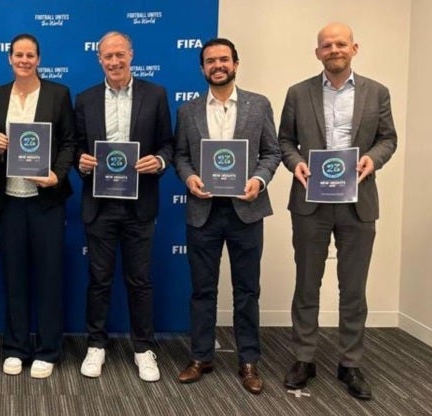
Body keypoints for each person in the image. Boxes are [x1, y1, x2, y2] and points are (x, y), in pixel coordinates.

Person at [279, 23, 397, 401]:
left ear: (354, 48)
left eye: (340, 44)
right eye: (326, 45)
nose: (334, 50)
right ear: (318, 53)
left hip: (357, 203)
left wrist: (373, 160)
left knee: (354, 288)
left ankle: (350, 362)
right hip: (310, 202)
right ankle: (304, 358)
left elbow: (388, 138)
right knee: (306, 284)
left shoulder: (377, 92)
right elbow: (285, 141)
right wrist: (295, 163)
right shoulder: (298, 93)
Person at [172, 38, 281, 394]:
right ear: (202, 68)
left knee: (247, 290)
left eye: (223, 59)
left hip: (245, 211)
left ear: (235, 63)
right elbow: (180, 155)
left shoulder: (258, 105)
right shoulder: (187, 111)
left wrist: (258, 180)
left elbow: (272, 152)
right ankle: (200, 356)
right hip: (203, 211)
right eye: (210, 61)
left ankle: (249, 360)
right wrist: (189, 177)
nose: (217, 65)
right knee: (202, 290)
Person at [75, 31, 174, 382]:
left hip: (139, 204)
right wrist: (81, 161)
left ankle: (143, 349)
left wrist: (159, 162)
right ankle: (96, 345)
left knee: (140, 281)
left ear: (131, 55)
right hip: (99, 205)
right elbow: (75, 147)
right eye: (108, 56)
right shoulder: (85, 99)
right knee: (99, 280)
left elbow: (168, 144)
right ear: (99, 59)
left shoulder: (155, 94)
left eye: (120, 54)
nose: (114, 61)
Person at [0, 34, 76, 379]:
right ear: (9, 58)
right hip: (10, 200)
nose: (24, 60)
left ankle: (48, 349)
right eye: (18, 55)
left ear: (39, 59)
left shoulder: (57, 94)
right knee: (14, 275)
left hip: (46, 200)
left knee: (49, 276)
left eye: (30, 55)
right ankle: (16, 347)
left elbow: (69, 142)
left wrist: (58, 175)